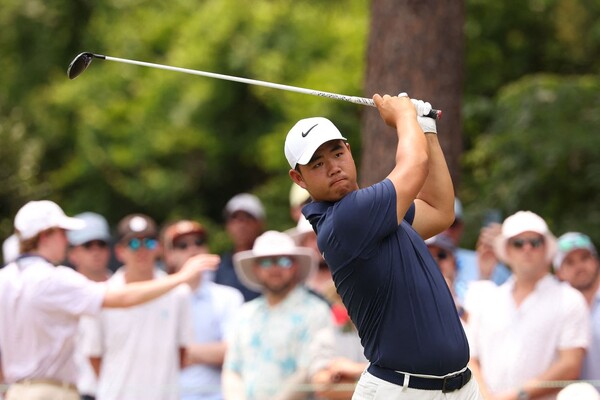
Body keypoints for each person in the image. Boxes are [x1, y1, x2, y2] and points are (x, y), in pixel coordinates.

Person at [285, 93, 480, 398]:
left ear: (349, 151)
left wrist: (426, 128)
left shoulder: (377, 216)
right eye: (317, 164)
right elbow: (414, 166)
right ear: (299, 178)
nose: (333, 167)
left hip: (459, 388)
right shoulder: (346, 219)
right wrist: (403, 116)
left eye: (337, 154)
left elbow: (441, 210)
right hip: (400, 391)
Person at [0, 200, 219, 400]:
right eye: (62, 232)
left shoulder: (4, 278)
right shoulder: (54, 279)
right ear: (46, 235)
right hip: (52, 392)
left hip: (16, 391)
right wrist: (180, 277)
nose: (66, 240)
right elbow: (121, 298)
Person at [468, 211, 590, 400]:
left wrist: (515, 396)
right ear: (507, 250)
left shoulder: (570, 299)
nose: (527, 248)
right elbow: (471, 358)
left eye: (534, 242)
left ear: (546, 248)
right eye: (518, 243)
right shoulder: (488, 300)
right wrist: (484, 397)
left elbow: (570, 365)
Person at [79, 214, 203, 400]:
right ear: (120, 251)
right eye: (134, 244)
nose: (142, 249)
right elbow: (94, 356)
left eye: (149, 242)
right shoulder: (103, 295)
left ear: (159, 247)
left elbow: (183, 353)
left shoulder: (178, 293)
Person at [222, 230, 335, 400]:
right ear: (256, 268)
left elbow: (308, 370)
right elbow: (231, 368)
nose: (275, 268)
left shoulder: (316, 311)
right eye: (266, 262)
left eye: (283, 261)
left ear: (295, 265)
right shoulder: (245, 313)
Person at [161, 219, 244, 400]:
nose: (193, 249)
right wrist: (209, 353)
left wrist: (182, 352)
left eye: (199, 242)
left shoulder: (228, 297)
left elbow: (235, 351)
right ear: (169, 255)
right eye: (182, 245)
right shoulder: (158, 299)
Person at [67, 212, 113, 400]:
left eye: (101, 244)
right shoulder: (61, 292)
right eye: (87, 245)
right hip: (73, 391)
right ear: (73, 254)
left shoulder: (122, 288)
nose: (96, 251)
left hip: (116, 391)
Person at [553, 232, 600, 385]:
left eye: (585, 258)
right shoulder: (553, 309)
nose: (579, 266)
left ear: (596, 261)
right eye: (570, 262)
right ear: (559, 272)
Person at [446, 199, 511, 303]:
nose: (446, 230)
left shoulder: (487, 262)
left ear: (461, 227)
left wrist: (510, 250)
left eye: (452, 224)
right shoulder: (412, 262)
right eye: (442, 223)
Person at [215, 193, 264, 302]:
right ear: (227, 226)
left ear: (260, 223)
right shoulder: (218, 268)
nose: (241, 225)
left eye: (247, 218)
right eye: (234, 219)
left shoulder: (270, 262)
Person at [425, 233, 467, 322]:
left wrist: (453, 302)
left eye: (442, 255)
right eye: (428, 256)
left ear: (454, 262)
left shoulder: (471, 292)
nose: (435, 260)